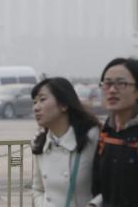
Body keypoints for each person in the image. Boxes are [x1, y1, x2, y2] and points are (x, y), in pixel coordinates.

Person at [90, 58, 138, 207]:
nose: (112, 90)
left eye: (121, 83)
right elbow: (100, 188)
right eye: (107, 83)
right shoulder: (107, 134)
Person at [31, 77, 100, 207]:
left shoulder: (92, 137)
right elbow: (38, 188)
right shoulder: (39, 142)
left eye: (42, 100)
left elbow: (110, 185)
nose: (36, 108)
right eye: (34, 102)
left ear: (63, 104)